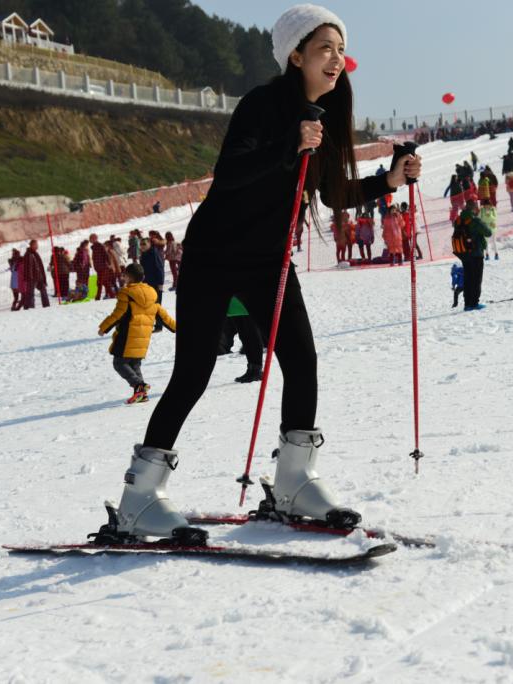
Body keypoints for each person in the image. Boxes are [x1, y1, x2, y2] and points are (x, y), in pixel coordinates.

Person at [97, 5, 423, 544]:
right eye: (324, 48)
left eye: (341, 49)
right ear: (296, 56)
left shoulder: (324, 114)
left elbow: (332, 193)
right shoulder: (263, 104)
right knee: (193, 374)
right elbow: (230, 173)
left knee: (303, 361)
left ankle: (295, 482)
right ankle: (140, 499)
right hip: (214, 255)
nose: (336, 59)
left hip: (269, 261)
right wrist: (290, 142)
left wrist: (388, 180)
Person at [98, 263, 176, 404]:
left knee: (119, 363)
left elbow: (118, 314)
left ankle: (139, 386)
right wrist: (176, 328)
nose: (123, 278)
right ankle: (141, 394)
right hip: (143, 337)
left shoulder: (126, 293)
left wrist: (104, 327)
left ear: (128, 277)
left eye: (124, 276)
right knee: (134, 364)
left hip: (127, 336)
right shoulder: (152, 293)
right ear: (143, 277)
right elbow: (163, 316)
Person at [452, 199, 491, 310]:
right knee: (476, 279)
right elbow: (488, 232)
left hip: (463, 253)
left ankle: (467, 303)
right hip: (476, 253)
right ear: (474, 208)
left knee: (468, 278)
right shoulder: (475, 220)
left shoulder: (459, 219)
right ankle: (474, 303)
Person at [22, 240, 50, 309]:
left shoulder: (35, 253)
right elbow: (29, 267)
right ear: (32, 245)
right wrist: (30, 278)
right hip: (32, 277)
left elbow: (39, 265)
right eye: (36, 245)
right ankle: (29, 307)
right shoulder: (28, 254)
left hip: (39, 276)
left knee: (43, 290)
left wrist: (42, 276)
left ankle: (47, 306)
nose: (37, 246)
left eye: (37, 244)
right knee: (30, 293)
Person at [90, 234, 116, 300]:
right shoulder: (94, 247)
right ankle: (111, 295)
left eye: (91, 238)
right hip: (98, 268)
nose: (90, 240)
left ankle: (99, 297)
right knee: (103, 282)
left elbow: (106, 255)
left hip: (103, 267)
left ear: (95, 238)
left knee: (101, 282)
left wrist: (109, 264)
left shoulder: (100, 246)